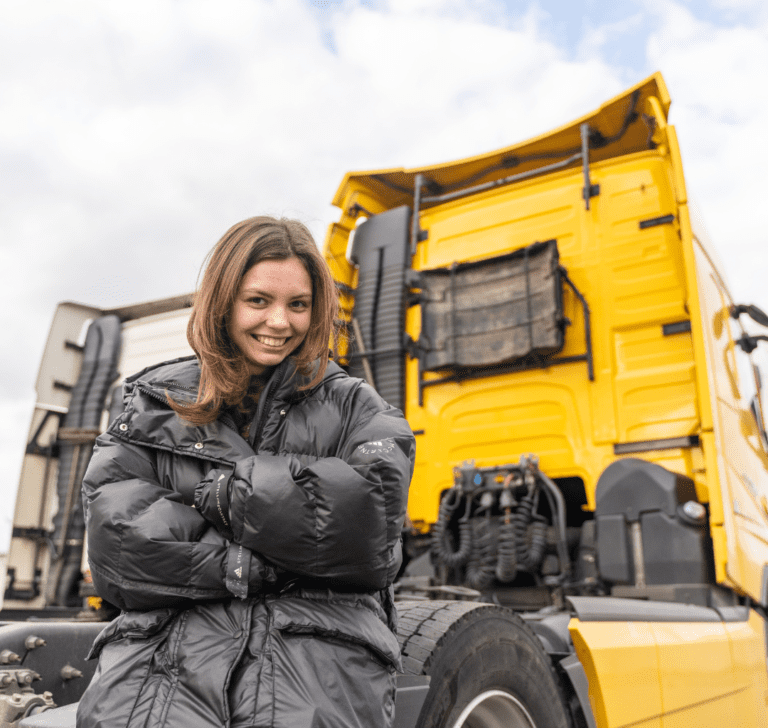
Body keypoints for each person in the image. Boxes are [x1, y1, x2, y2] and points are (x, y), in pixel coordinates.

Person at [76, 216, 416, 728]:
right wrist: (251, 564)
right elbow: (118, 544)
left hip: (315, 674)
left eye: (298, 305)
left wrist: (231, 495)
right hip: (160, 671)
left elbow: (368, 527)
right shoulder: (152, 403)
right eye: (258, 300)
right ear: (222, 301)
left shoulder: (359, 407)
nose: (280, 322)